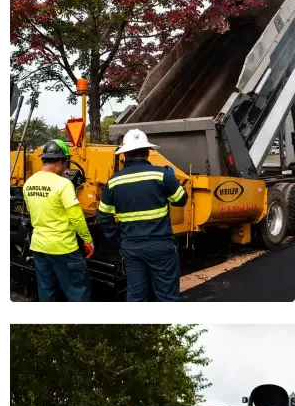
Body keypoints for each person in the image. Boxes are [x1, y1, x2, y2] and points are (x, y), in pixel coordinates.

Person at [98, 129, 188, 305]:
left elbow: (104, 214)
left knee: (136, 297)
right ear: (147, 152)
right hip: (160, 245)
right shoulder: (161, 175)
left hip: (131, 246)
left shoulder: (114, 181)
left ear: (124, 154)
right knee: (167, 297)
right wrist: (172, 180)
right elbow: (181, 200)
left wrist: (117, 238)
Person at [23, 139, 94, 304]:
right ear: (61, 162)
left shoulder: (28, 183)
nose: (67, 168)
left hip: (39, 246)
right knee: (78, 292)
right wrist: (87, 240)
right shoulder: (63, 184)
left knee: (47, 291)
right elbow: (76, 216)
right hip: (63, 248)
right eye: (66, 163)